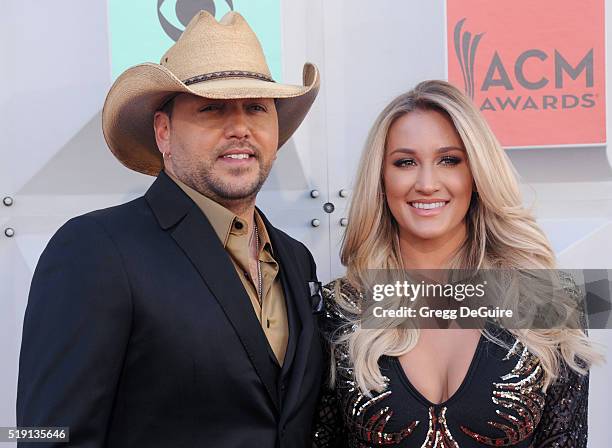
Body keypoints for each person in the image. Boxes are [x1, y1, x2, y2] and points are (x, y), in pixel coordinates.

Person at [17, 11, 324, 448]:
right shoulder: (96, 251)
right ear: (163, 131)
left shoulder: (296, 259)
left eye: (256, 107)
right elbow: (46, 435)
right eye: (212, 108)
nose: (239, 128)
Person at [313, 80, 601, 447]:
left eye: (449, 160)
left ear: (477, 174)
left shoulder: (550, 298)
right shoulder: (339, 307)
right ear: (381, 179)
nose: (427, 183)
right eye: (405, 162)